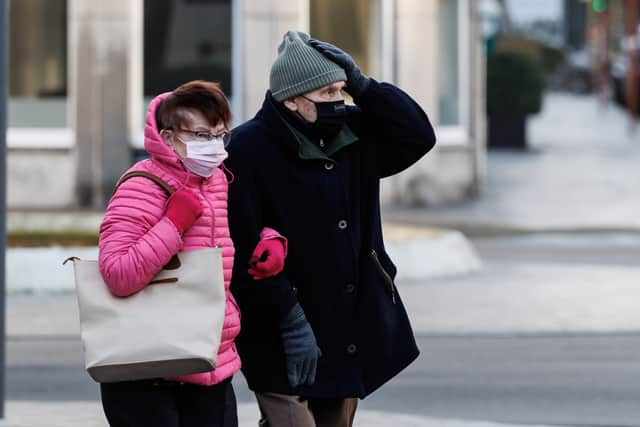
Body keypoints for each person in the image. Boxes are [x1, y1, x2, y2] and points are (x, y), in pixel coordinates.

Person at [226, 31, 436, 427]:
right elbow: (241, 244)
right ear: (291, 99)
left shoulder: (354, 132)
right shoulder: (247, 148)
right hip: (280, 326)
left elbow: (418, 135)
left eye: (341, 89)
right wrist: (289, 318)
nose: (338, 101)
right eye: (327, 93)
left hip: (348, 322)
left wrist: (365, 86)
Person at [97, 80, 287, 427]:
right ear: (168, 137)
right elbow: (118, 274)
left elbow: (231, 234)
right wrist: (173, 223)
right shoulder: (141, 185)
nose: (213, 147)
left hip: (208, 360)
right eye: (201, 136)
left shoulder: (218, 181)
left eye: (219, 135)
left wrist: (267, 238)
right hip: (149, 370)